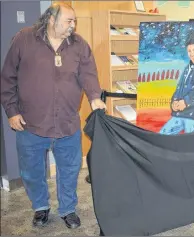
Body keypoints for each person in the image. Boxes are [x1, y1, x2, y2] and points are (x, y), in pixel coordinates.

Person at [0, 3, 106, 229]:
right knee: (31, 172)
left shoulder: (79, 45)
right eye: (69, 21)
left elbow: (89, 74)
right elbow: (7, 77)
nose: (73, 25)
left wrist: (95, 96)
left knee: (69, 170)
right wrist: (12, 111)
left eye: (74, 21)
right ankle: (40, 207)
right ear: (51, 19)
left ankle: (68, 209)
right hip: (30, 124)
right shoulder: (24, 39)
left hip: (67, 123)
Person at [159, 31, 194, 135]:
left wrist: (186, 102)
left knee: (192, 145)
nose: (192, 54)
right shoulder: (188, 67)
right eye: (189, 51)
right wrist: (174, 101)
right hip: (181, 113)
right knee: (163, 135)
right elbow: (179, 88)